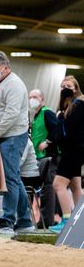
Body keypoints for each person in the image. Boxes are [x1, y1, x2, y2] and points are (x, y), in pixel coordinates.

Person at [0, 51, 33, 235]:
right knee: (14, 179)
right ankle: (25, 221)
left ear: (4, 66)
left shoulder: (15, 84)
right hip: (1, 136)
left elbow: (12, 112)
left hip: (12, 136)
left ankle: (8, 221)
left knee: (9, 179)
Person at [49, 76, 84, 233]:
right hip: (74, 149)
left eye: (69, 86)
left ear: (76, 89)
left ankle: (67, 220)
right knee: (76, 185)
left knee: (58, 184)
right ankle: (79, 221)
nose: (65, 88)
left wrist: (61, 117)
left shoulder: (79, 104)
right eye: (63, 86)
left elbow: (71, 128)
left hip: (74, 149)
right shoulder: (68, 106)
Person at [28, 88, 59, 228]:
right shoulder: (36, 115)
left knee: (48, 189)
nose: (32, 99)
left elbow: (57, 129)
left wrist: (47, 142)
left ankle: (47, 221)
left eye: (35, 96)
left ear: (42, 99)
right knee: (42, 190)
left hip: (49, 157)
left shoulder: (47, 112)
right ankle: (43, 220)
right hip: (39, 157)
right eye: (30, 97)